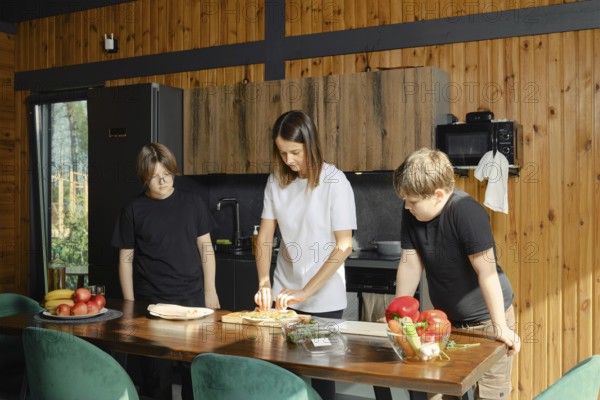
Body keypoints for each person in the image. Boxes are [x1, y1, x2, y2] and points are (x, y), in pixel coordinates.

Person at [392, 148, 520, 399]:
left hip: (487, 321)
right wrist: (398, 316)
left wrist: (500, 327)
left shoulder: (466, 211)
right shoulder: (412, 211)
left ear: (438, 195)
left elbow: (487, 272)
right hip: (444, 322)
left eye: (413, 201)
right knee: (445, 390)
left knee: (490, 394)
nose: (407, 206)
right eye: (405, 199)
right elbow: (409, 264)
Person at [254, 110, 357, 400]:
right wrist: (264, 281)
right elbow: (264, 236)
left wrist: (306, 291)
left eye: (295, 152)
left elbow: (344, 245)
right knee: (286, 372)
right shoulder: (276, 182)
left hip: (324, 297)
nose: (289, 160)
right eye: (282, 152)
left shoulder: (335, 182)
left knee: (321, 374)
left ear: (310, 144)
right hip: (284, 292)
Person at [111, 143, 219, 400]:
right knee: (156, 380)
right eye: (155, 177)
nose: (163, 181)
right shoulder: (133, 209)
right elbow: (126, 258)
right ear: (144, 178)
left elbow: (206, 248)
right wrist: (129, 303)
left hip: (192, 301)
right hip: (151, 304)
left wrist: (210, 290)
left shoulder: (193, 203)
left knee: (195, 374)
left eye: (167, 174)